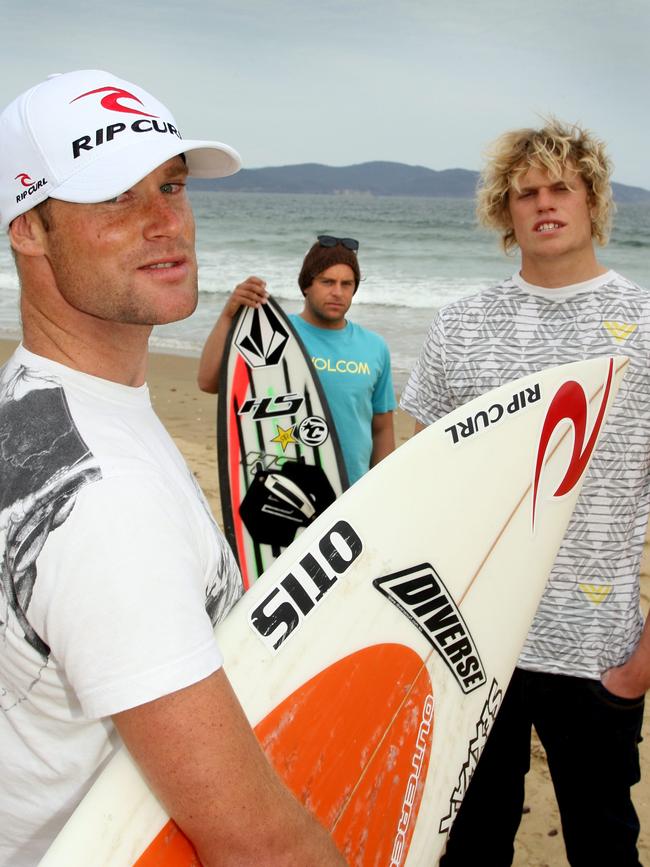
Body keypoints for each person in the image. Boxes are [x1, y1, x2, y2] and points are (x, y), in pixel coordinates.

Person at [0, 69, 344, 867]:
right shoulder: (106, 501)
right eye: (116, 196)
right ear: (28, 227)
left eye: (172, 185)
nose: (167, 223)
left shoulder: (35, 402)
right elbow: (260, 848)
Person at [401, 119, 650, 866]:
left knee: (605, 846)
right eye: (525, 192)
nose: (543, 203)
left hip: (597, 652)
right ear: (505, 213)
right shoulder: (463, 324)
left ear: (593, 199)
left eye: (560, 187)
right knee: (467, 848)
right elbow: (418, 481)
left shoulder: (644, 325)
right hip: (471, 645)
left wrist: (640, 665)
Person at [198, 236, 396, 485]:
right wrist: (229, 314)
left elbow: (382, 428)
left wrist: (382, 485)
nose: (337, 292)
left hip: (352, 492)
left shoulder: (374, 347)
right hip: (288, 487)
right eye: (327, 282)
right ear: (306, 285)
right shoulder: (276, 335)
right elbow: (209, 381)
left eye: (347, 284)